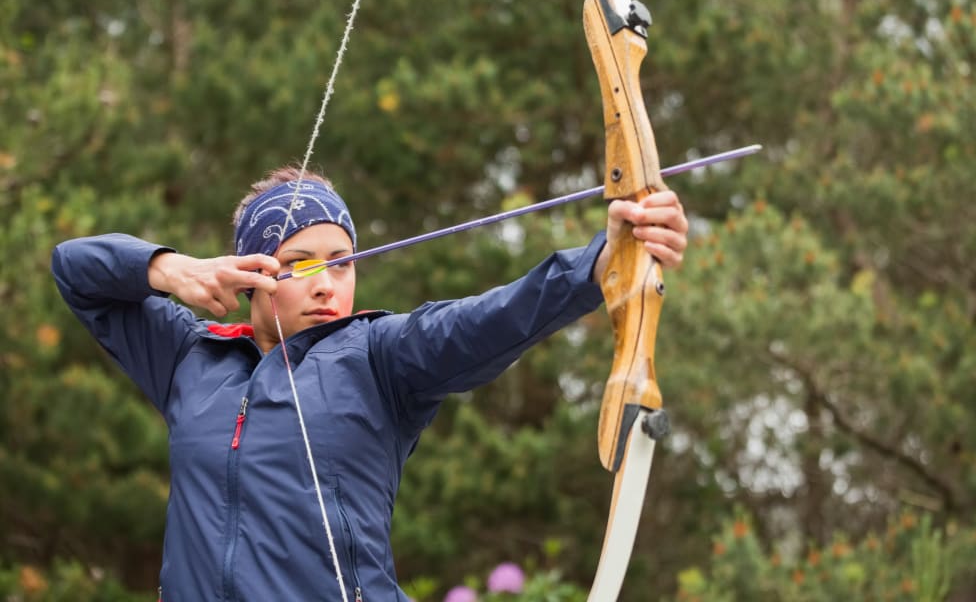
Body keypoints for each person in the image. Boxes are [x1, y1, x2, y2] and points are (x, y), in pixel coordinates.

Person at [52, 166, 689, 602]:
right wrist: (169, 268)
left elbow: (491, 321)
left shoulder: (380, 356)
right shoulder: (190, 361)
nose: (328, 281)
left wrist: (603, 263)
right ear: (249, 273)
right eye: (301, 263)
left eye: (342, 260)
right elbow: (74, 269)